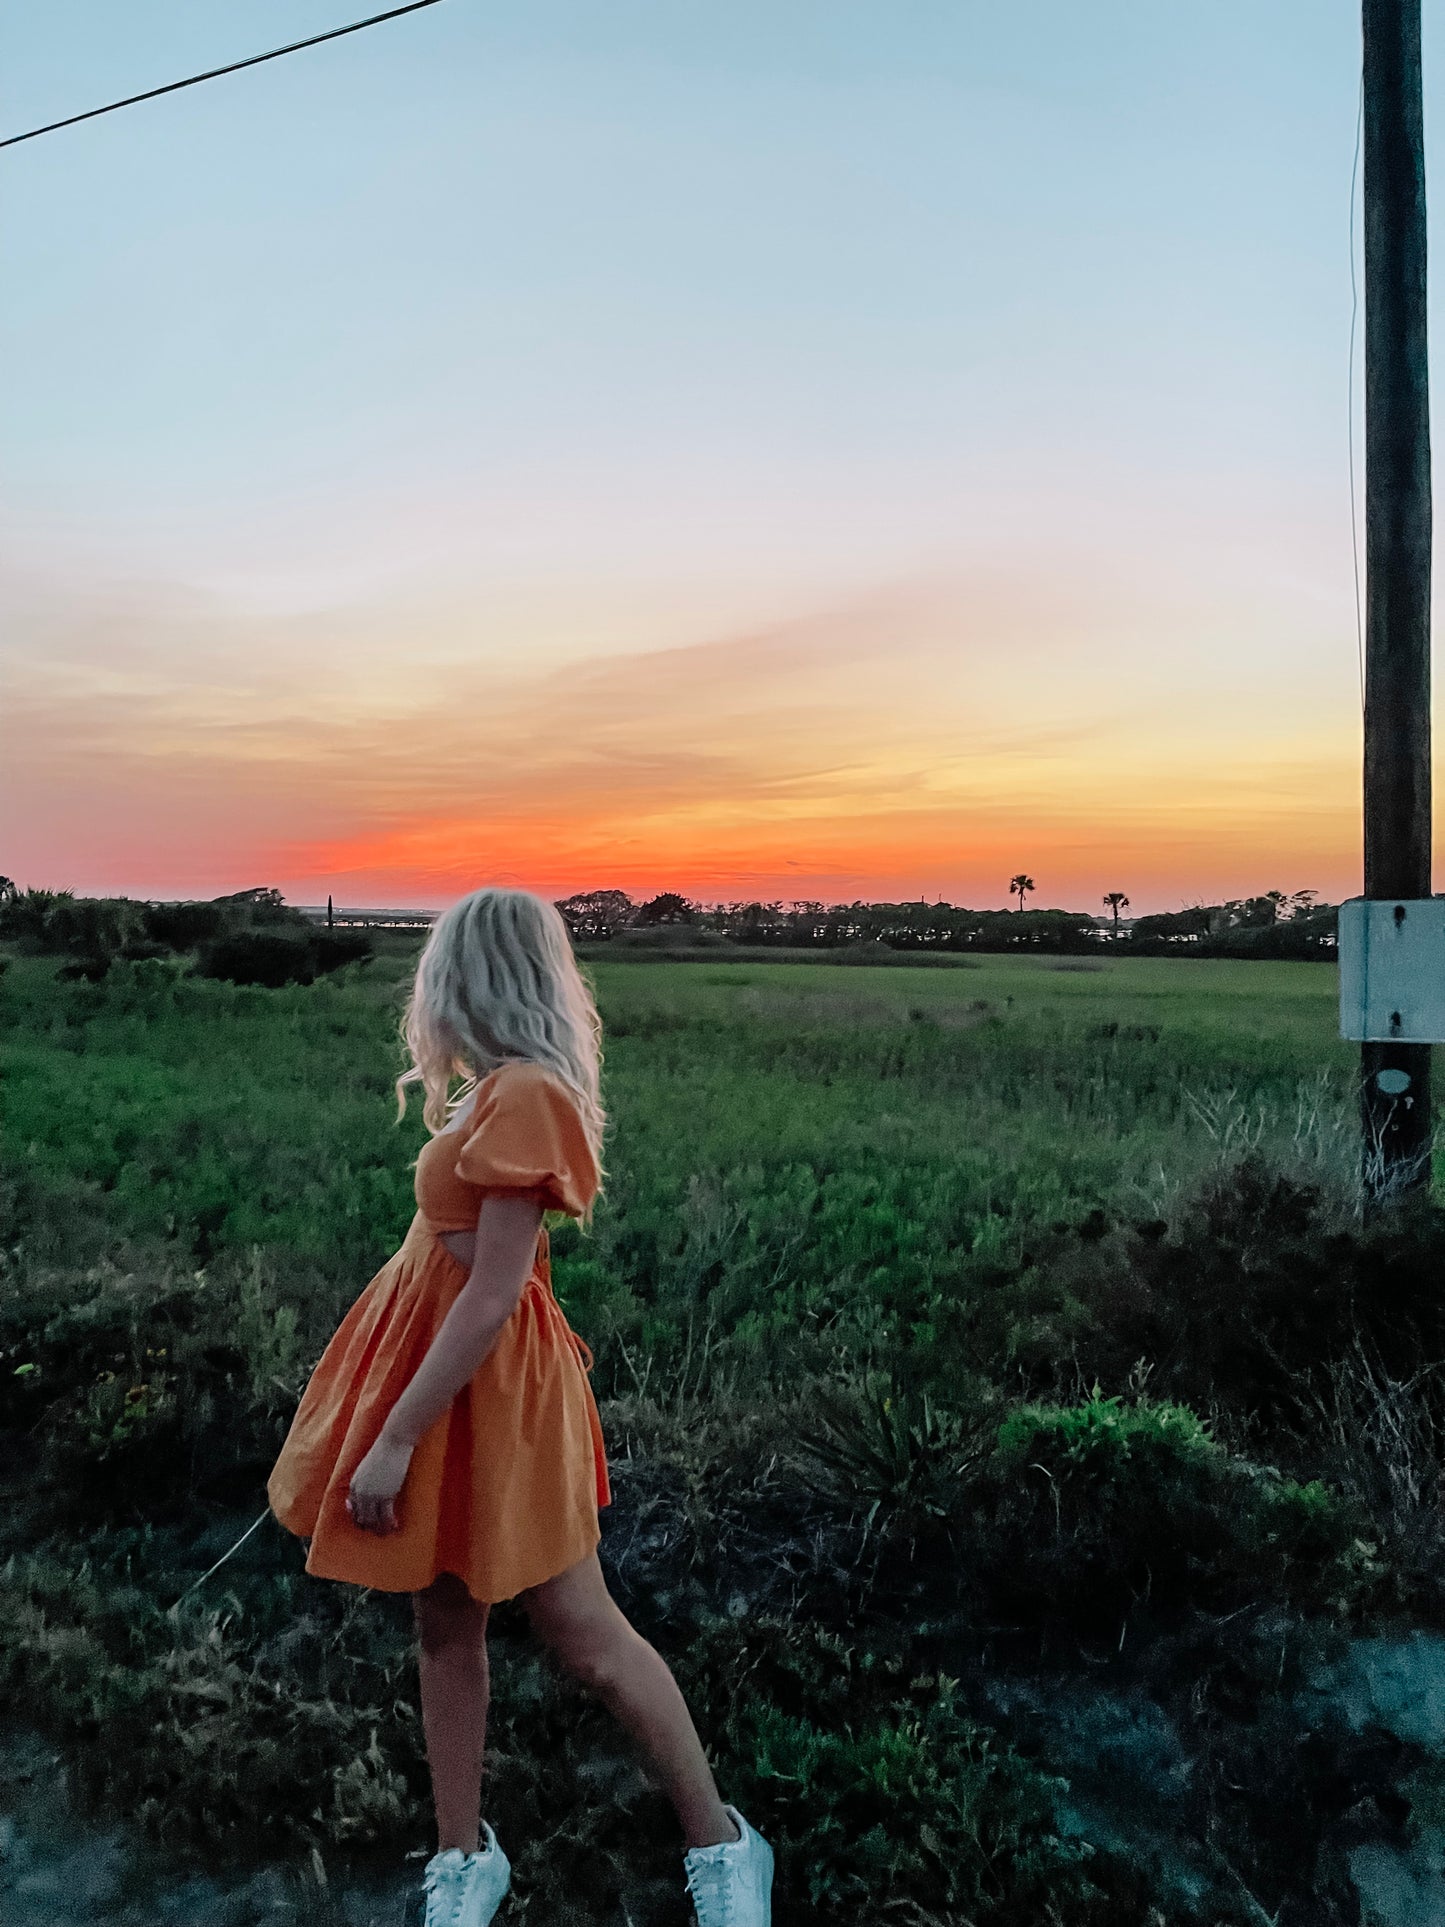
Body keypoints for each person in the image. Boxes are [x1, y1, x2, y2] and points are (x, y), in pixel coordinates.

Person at [267, 887, 773, 1927]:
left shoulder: (529, 1094)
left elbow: (495, 1292)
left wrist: (393, 1437)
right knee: (444, 1620)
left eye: (437, 968)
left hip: (491, 1396)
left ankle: (723, 1843)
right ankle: (464, 1857)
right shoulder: (493, 1090)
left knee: (584, 1635)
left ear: (467, 972)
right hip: (443, 1376)